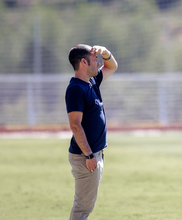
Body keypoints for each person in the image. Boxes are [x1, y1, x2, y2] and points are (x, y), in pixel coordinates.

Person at [65, 44, 118, 220]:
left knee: (85, 206)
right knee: (82, 208)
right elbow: (75, 125)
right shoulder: (76, 89)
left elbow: (113, 66)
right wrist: (88, 156)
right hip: (85, 157)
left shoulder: (92, 82)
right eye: (94, 58)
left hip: (94, 155)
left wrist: (105, 52)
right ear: (83, 62)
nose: (98, 61)